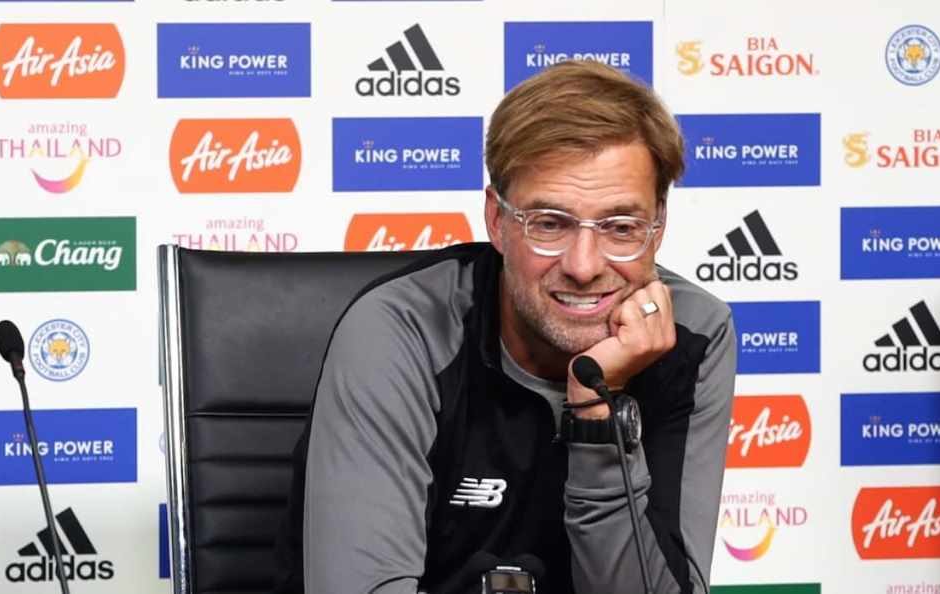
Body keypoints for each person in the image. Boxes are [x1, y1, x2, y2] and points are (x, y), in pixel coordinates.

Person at [276, 60, 736, 594]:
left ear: (657, 228)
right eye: (549, 223)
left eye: (620, 227)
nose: (584, 266)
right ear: (497, 221)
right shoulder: (400, 331)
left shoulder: (696, 335)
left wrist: (597, 415)